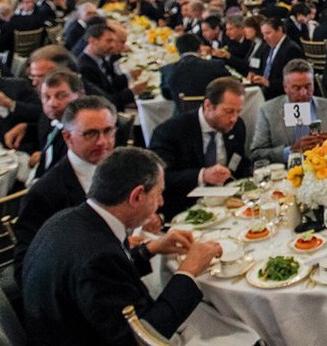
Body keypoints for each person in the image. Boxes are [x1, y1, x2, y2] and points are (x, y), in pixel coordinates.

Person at [22, 147, 221, 345]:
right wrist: (189, 270)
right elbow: (141, 337)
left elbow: (110, 280)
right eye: (158, 194)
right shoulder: (98, 258)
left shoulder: (66, 219)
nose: (160, 203)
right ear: (136, 196)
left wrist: (150, 249)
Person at [14, 95, 116, 284]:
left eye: (108, 131)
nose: (102, 142)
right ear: (67, 137)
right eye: (91, 134)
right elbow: (25, 269)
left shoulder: (120, 168)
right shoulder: (45, 193)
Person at [148, 77, 251, 218]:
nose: (234, 118)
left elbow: (239, 162)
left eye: (238, 112)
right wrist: (202, 175)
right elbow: (161, 178)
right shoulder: (170, 131)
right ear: (208, 105)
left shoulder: (236, 127)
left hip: (229, 206)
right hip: (185, 209)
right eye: (228, 111)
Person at [249, 59, 327, 164]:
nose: (304, 93)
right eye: (297, 88)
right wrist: (291, 151)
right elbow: (256, 153)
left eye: (308, 86)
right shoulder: (268, 111)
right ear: (285, 87)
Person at [158, 33, 232, 108]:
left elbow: (167, 95)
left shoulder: (167, 70)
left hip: (182, 116)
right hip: (212, 112)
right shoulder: (215, 65)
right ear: (199, 48)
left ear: (178, 51)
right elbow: (231, 84)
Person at [249, 17, 304, 100]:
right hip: (265, 90)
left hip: (280, 95)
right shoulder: (268, 47)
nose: (265, 37)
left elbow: (293, 80)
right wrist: (255, 74)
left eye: (268, 33)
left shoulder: (291, 49)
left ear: (279, 30)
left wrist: (268, 83)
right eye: (263, 34)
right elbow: (263, 67)